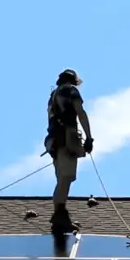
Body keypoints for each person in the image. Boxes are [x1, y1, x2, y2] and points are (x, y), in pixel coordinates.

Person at [44, 68, 94, 233]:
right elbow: (80, 113)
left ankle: (60, 214)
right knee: (66, 177)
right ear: (73, 81)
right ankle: (60, 215)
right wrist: (89, 137)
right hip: (66, 138)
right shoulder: (70, 91)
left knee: (62, 178)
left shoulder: (53, 96)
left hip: (54, 141)